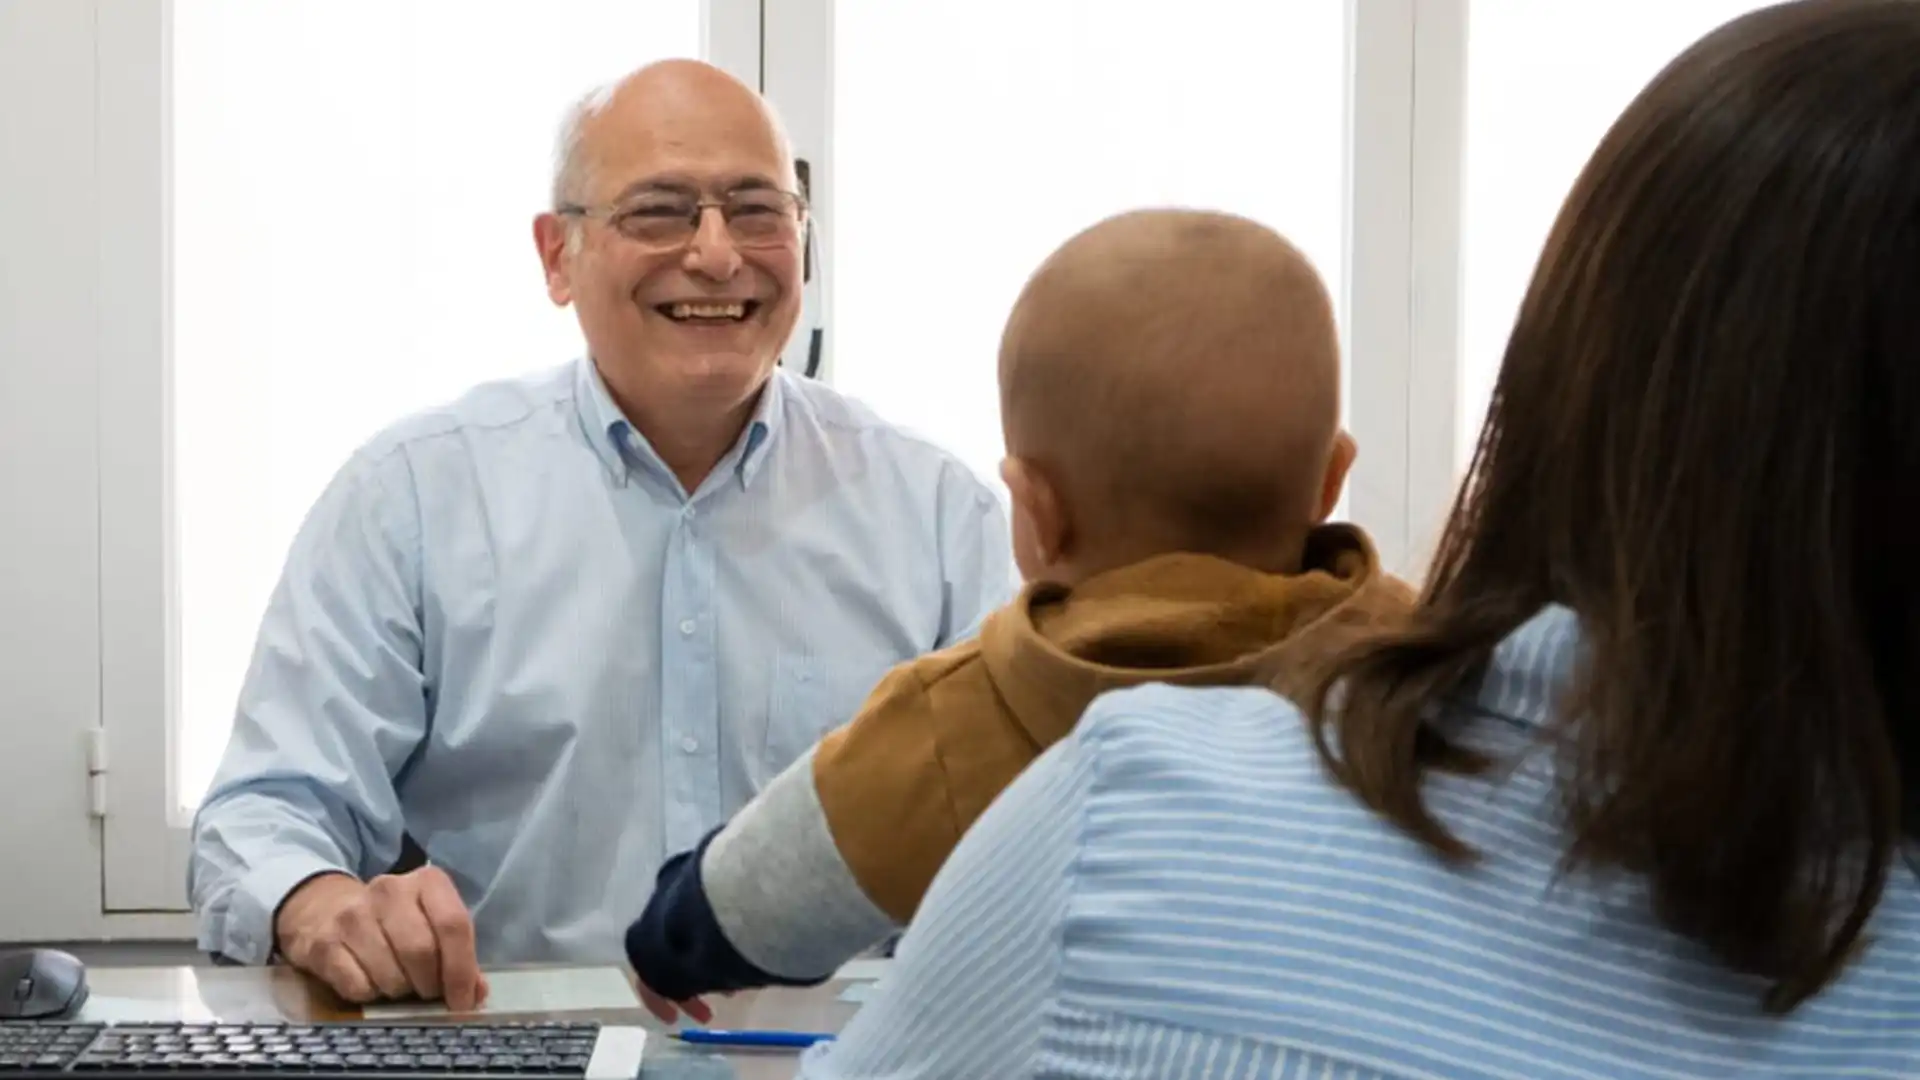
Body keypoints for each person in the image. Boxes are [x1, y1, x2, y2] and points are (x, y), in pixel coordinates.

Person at [796, 2, 1920, 1076]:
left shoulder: (1109, 817)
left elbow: (775, 874)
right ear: (1336, 481)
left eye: (762, 207)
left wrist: (681, 937)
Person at [186, 59, 1013, 1011]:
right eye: (660, 211)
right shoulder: (413, 497)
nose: (715, 255)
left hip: (851, 1055)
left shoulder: (939, 515)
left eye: (757, 211)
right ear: (556, 256)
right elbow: (265, 809)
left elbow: (1026, 844)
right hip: (509, 1047)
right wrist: (318, 900)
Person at [624, 208, 1413, 1019]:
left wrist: (671, 940)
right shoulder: (1435, 670)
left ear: (1034, 512)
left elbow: (758, 897)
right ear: (1332, 477)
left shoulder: (973, 717)